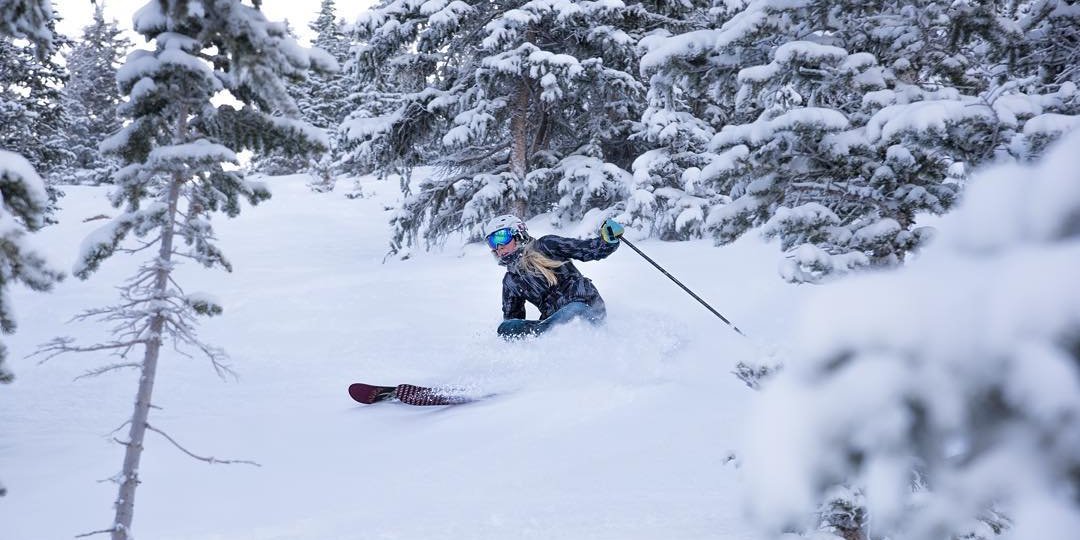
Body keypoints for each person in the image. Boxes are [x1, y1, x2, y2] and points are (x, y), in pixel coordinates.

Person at [485, 214, 625, 338]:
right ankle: (547, 334)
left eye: (501, 237)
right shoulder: (511, 281)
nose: (498, 246)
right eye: (492, 241)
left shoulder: (546, 246)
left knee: (572, 311)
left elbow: (588, 250)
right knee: (506, 329)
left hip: (584, 305)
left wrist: (608, 240)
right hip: (553, 320)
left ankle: (548, 331)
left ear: (518, 233)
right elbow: (513, 320)